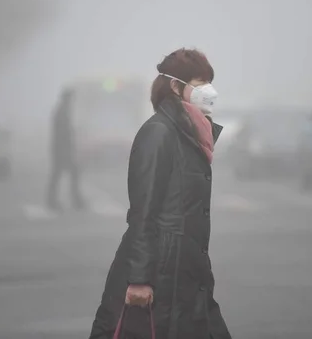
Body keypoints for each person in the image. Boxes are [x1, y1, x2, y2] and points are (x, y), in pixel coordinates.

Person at [88, 48, 232, 339]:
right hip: (163, 274)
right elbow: (144, 211)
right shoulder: (159, 133)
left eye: (209, 82)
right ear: (176, 87)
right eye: (199, 82)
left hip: (189, 270)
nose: (209, 91)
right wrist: (139, 279)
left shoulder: (190, 135)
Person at [46, 87, 86, 210]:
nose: (72, 101)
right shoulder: (62, 112)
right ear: (66, 98)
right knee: (68, 173)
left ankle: (58, 200)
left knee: (60, 175)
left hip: (61, 149)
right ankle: (74, 200)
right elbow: (63, 133)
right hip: (62, 150)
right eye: (71, 98)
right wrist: (68, 150)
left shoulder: (62, 110)